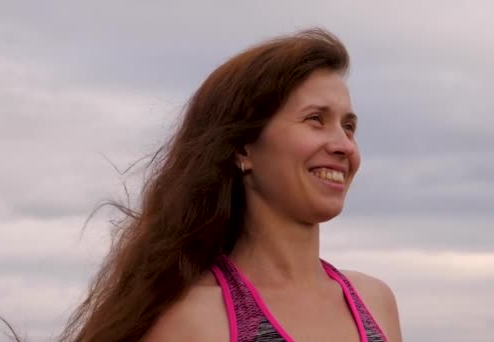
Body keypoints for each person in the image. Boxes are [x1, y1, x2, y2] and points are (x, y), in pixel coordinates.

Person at [61, 28, 402, 342]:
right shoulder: (192, 322)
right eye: (316, 119)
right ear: (243, 148)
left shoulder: (375, 302)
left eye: (349, 126)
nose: (344, 145)